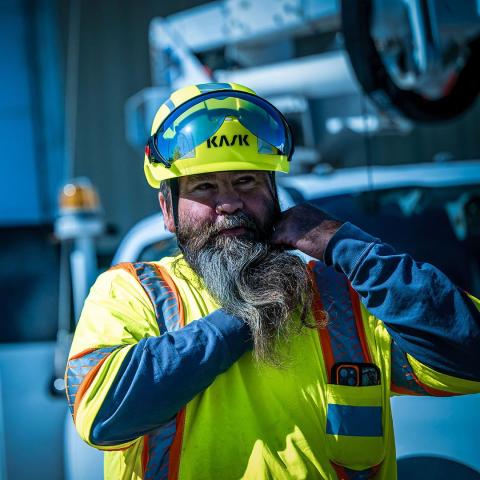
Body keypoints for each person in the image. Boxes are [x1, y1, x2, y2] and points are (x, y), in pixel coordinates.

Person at [65, 82, 480, 480]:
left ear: (275, 194)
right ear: (168, 210)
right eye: (204, 186)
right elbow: (102, 414)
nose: (229, 203)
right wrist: (247, 313)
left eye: (246, 181)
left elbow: (470, 353)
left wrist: (348, 246)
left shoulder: (344, 299)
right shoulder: (132, 292)